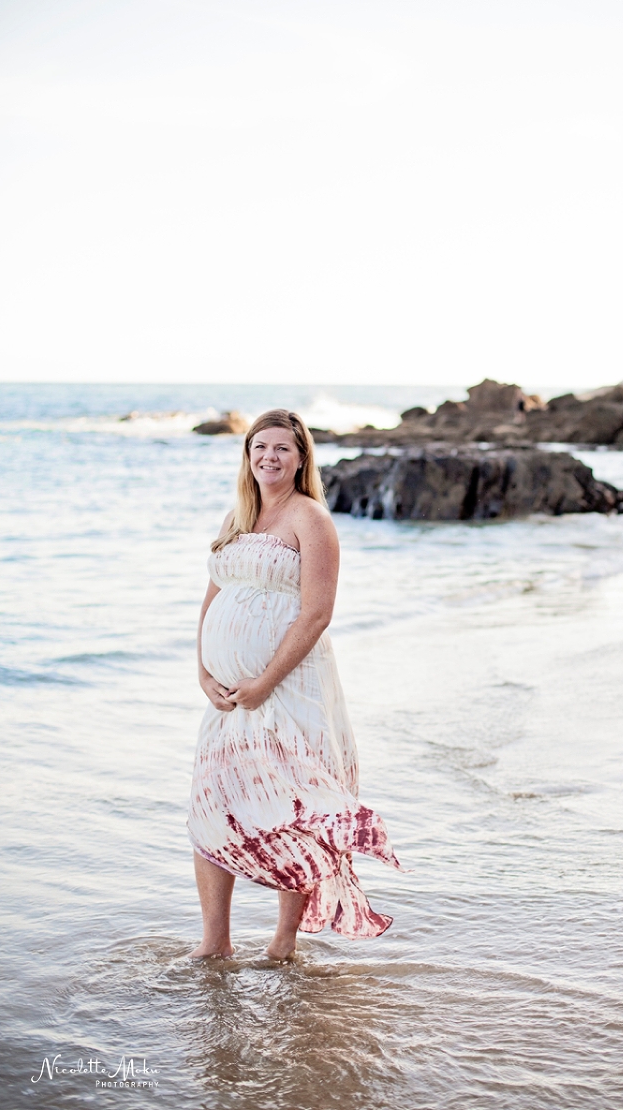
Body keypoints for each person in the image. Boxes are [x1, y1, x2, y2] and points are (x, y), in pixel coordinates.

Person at [187, 409, 402, 960]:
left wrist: (264, 682)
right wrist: (205, 672)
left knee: (292, 808)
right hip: (230, 698)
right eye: (260, 447)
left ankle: (283, 942)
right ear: (248, 455)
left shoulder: (311, 519)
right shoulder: (236, 518)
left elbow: (316, 614)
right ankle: (215, 944)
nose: (269, 457)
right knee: (213, 807)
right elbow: (211, 603)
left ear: (302, 457)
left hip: (291, 687)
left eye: (282, 448)